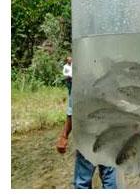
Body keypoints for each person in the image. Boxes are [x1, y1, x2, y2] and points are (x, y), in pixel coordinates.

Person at [55, 57, 118, 189]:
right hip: (108, 136)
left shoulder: (82, 83)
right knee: (109, 178)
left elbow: (73, 111)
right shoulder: (110, 81)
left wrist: (64, 136)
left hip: (88, 138)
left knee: (82, 182)